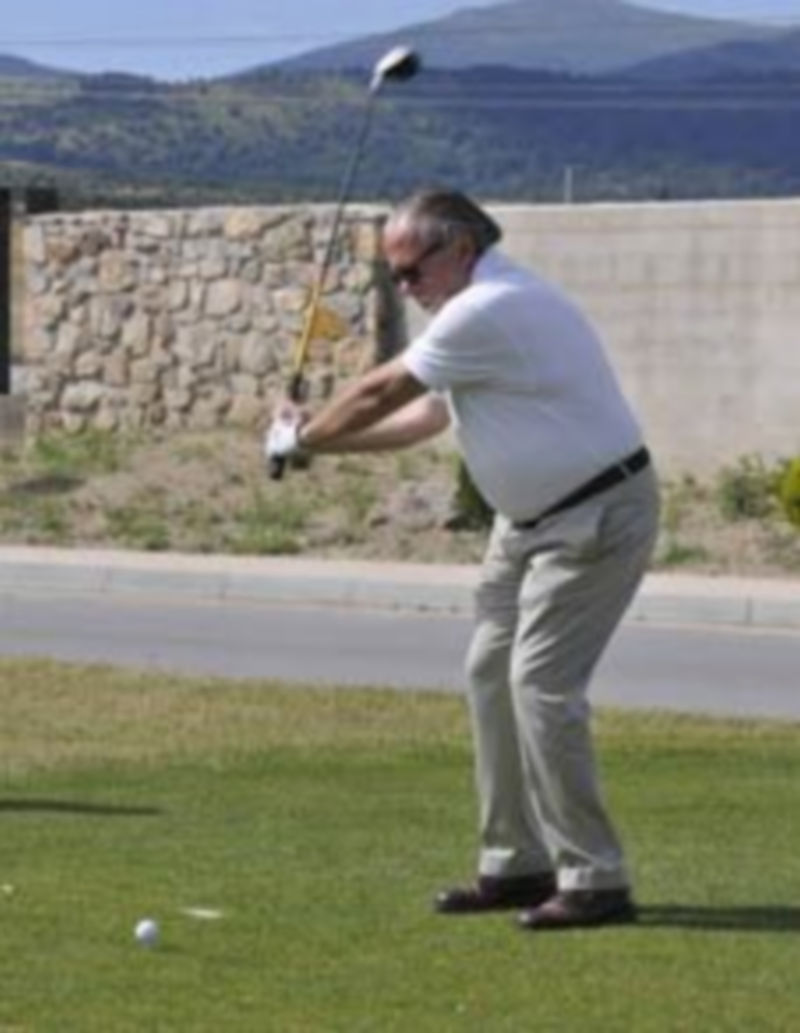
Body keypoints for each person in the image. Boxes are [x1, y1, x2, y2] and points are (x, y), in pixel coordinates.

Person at [265, 188, 660, 932]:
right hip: (526, 521)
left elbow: (385, 388)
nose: (404, 289)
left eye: (411, 272)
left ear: (460, 250)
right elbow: (424, 418)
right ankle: (516, 863)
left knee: (540, 684)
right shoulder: (467, 314)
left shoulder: (493, 307)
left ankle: (596, 877)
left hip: (598, 512)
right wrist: (315, 443)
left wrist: (305, 435)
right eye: (393, 278)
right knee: (488, 673)